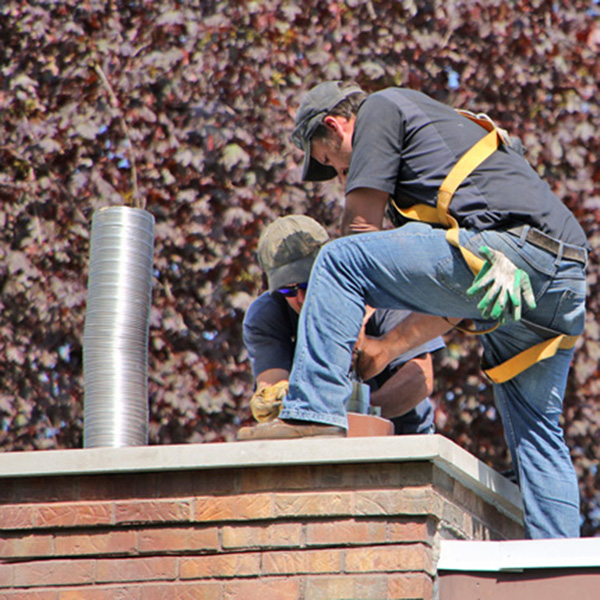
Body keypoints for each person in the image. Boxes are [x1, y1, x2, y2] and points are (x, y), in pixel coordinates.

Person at [240, 81, 589, 540]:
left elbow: (359, 234)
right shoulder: (425, 187)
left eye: (331, 161)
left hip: (517, 254)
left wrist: (351, 329)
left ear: (336, 126)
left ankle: (312, 416)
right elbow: (445, 306)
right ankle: (560, 567)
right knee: (537, 435)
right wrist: (382, 349)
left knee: (338, 258)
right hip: (554, 280)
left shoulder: (381, 108)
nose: (341, 176)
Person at [240, 214, 444, 435]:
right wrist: (272, 401)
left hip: (404, 438)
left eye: (308, 284)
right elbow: (274, 382)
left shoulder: (382, 289)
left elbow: (420, 377)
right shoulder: (267, 315)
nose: (301, 298)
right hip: (319, 438)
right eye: (288, 289)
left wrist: (360, 413)